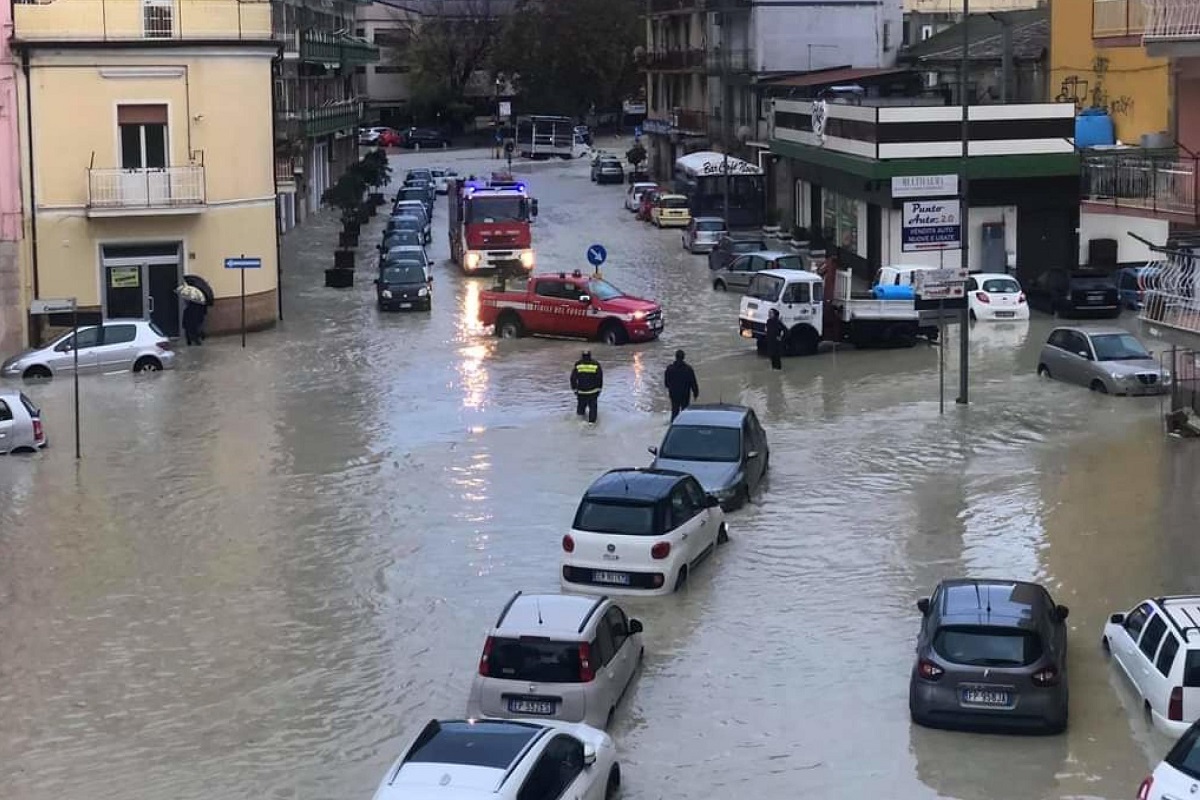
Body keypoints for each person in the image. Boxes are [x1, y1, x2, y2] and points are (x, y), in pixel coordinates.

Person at [664, 349, 699, 420]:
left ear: (675, 357)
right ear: (683, 357)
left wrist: (671, 388)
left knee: (675, 412)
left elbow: (666, 383)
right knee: (685, 412)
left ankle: (673, 426)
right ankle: (684, 424)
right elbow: (693, 383)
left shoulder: (669, 369)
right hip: (685, 394)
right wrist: (695, 393)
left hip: (674, 394)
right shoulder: (688, 369)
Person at [570, 350, 603, 423]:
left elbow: (573, 378)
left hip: (581, 392)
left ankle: (580, 424)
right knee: (593, 410)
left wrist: (574, 389)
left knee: (580, 412)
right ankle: (592, 425)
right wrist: (599, 389)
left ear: (582, 356)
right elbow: (599, 378)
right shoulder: (596, 364)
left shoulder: (578, 364)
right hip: (593, 392)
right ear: (590, 356)